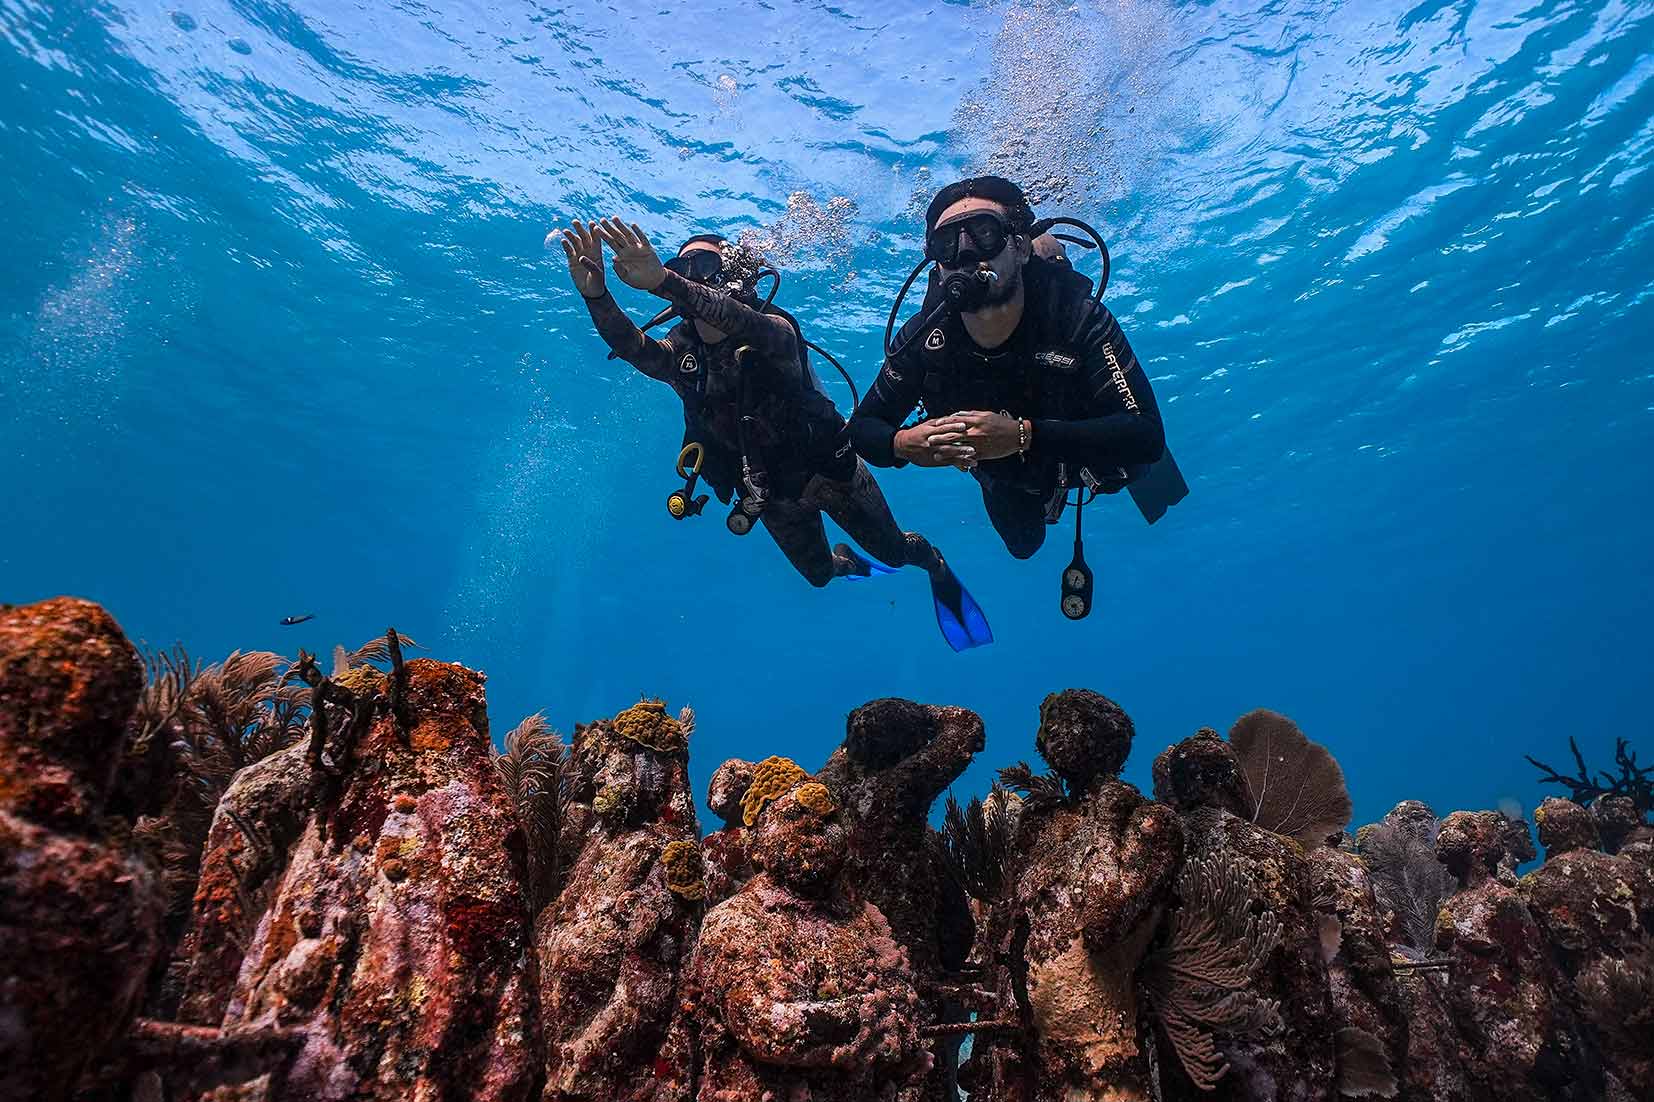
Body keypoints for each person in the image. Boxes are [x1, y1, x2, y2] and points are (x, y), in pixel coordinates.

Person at [554, 217, 991, 649]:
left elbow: (740, 323)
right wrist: (596, 293)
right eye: (680, 267)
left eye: (703, 266)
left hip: (830, 474)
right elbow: (632, 347)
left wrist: (663, 280)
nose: (690, 277)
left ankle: (933, 563)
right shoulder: (682, 354)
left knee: (896, 552)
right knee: (820, 576)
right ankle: (847, 563)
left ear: (733, 276)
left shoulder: (773, 330)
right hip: (770, 497)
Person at [848, 176, 1178, 563]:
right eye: (947, 244)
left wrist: (1024, 435)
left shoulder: (1075, 318)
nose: (966, 253)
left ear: (1019, 247)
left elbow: (1147, 435)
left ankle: (1051, 257)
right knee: (1023, 546)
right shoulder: (925, 337)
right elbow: (863, 428)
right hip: (1006, 472)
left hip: (1077, 446)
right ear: (937, 267)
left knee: (1133, 468)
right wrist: (902, 445)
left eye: (984, 232)